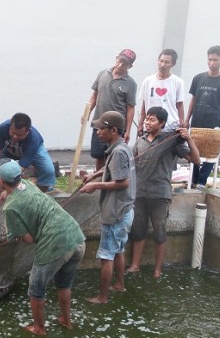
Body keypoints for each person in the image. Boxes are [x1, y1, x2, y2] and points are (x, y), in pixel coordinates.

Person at [0, 159, 85, 335]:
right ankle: (66, 320)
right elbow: (10, 186)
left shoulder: (10, 208)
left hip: (54, 245)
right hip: (76, 237)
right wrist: (4, 192)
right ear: (19, 176)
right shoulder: (27, 184)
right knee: (64, 284)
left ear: (1, 181)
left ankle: (39, 328)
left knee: (35, 288)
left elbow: (28, 239)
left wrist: (18, 230)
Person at [126, 107, 200, 277]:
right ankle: (135, 265)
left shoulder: (170, 141)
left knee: (160, 231)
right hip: (139, 193)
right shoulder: (140, 141)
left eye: (152, 120)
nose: (147, 123)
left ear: (162, 124)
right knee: (138, 230)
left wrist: (189, 139)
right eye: (146, 119)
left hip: (160, 194)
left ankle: (158, 269)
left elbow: (196, 160)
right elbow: (129, 165)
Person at [79, 111, 135, 304]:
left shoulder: (118, 152)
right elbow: (111, 168)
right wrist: (95, 175)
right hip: (125, 211)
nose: (97, 132)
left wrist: (95, 186)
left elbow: (123, 182)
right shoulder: (121, 148)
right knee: (118, 249)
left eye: (101, 128)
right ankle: (119, 284)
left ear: (113, 130)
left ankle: (102, 297)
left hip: (116, 213)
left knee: (106, 256)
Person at [185, 45, 220, 188]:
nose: (212, 63)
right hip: (197, 121)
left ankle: (201, 180)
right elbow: (193, 100)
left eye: (215, 60)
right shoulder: (198, 78)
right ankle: (193, 180)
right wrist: (187, 119)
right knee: (193, 151)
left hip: (214, 122)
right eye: (210, 60)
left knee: (211, 154)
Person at [86, 49, 138, 171]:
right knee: (99, 155)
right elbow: (95, 94)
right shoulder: (103, 74)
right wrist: (87, 112)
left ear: (130, 66)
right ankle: (99, 181)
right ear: (116, 58)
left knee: (114, 155)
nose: (120, 65)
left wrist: (128, 131)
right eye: (119, 61)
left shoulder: (130, 83)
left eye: (124, 63)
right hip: (99, 123)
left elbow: (130, 108)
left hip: (116, 127)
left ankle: (111, 180)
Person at [0, 113, 56, 192]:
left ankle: (41, 191)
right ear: (10, 126)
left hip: (33, 151)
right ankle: (5, 193)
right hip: (10, 150)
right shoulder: (2, 128)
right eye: (13, 133)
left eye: (19, 135)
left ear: (27, 132)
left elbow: (18, 171)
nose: (15, 136)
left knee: (48, 171)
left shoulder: (33, 140)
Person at [138, 49, 185, 135]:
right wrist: (141, 124)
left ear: (173, 64)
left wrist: (182, 123)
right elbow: (144, 106)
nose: (162, 65)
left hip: (170, 127)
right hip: (150, 126)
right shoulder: (147, 81)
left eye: (167, 62)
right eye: (161, 61)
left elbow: (179, 105)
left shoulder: (178, 82)